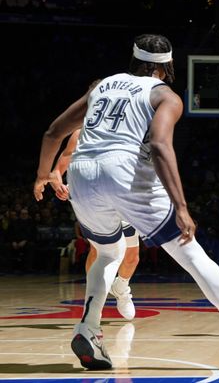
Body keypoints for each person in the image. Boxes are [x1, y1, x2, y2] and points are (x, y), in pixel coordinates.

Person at [33, 34, 219, 371]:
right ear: (168, 66)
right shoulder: (165, 95)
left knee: (109, 253)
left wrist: (43, 174)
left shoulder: (103, 84)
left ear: (133, 60)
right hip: (125, 170)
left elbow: (53, 133)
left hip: (81, 173)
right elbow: (159, 145)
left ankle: (88, 327)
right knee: (191, 254)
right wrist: (182, 207)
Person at [49, 128, 139, 320]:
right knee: (98, 251)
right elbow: (58, 169)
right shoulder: (80, 133)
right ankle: (93, 299)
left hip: (123, 199)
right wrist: (58, 184)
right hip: (94, 199)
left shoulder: (128, 130)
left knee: (132, 258)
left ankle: (121, 288)